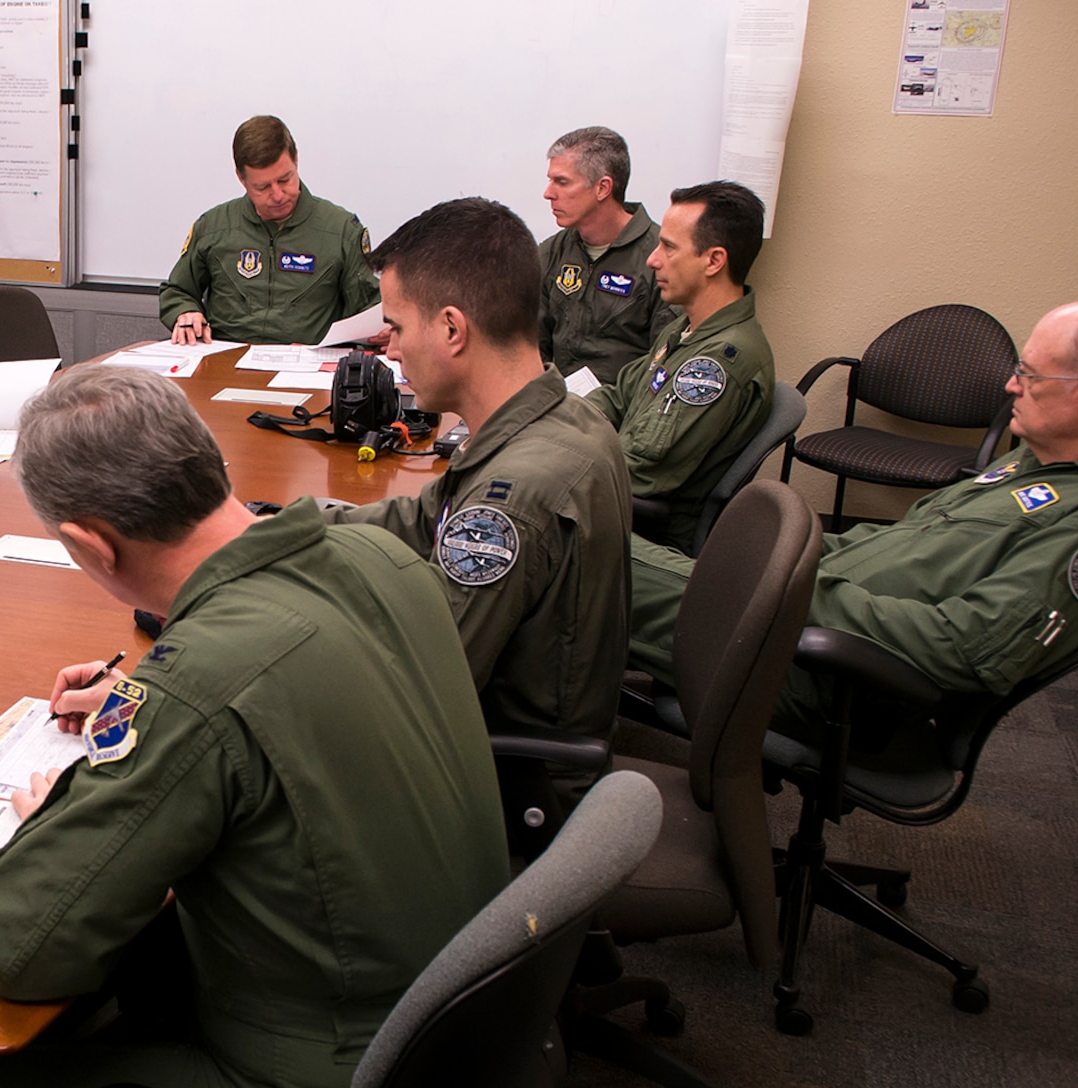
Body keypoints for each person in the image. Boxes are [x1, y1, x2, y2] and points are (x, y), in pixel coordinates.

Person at [0, 364, 511, 1088]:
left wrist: (64, 800)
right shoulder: (384, 559)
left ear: (91, 544)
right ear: (205, 465)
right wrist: (157, 695)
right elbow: (288, 677)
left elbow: (24, 950)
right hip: (459, 1063)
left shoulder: (192, 694)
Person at [631, 297, 1078, 741]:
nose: (1011, 386)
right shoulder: (1042, 461)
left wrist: (795, 592)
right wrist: (785, 567)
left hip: (828, 673)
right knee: (610, 552)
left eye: (1031, 376)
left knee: (602, 561)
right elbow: (904, 544)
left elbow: (964, 651)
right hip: (801, 614)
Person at [323, 197, 633, 799]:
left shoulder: (512, 499)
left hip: (508, 782)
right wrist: (276, 527)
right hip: (511, 734)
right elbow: (419, 518)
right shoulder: (557, 416)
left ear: (451, 329)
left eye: (398, 326)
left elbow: (415, 681)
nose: (388, 348)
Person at [588, 180, 775, 551]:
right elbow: (619, 396)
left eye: (668, 247)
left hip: (643, 537)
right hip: (615, 504)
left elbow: (639, 471)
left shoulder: (716, 363)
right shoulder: (688, 328)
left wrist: (553, 451)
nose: (652, 259)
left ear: (714, 260)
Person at [159, 115, 382, 346]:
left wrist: (384, 331)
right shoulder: (213, 227)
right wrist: (185, 312)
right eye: (263, 187)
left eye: (285, 180)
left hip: (307, 366)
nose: (277, 195)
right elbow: (178, 291)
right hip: (225, 362)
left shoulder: (341, 230)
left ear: (296, 160)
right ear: (241, 179)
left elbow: (370, 307)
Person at [536, 126, 676, 385]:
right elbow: (531, 348)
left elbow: (663, 364)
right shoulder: (552, 253)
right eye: (550, 180)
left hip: (619, 414)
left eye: (562, 182)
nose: (548, 193)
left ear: (602, 188)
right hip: (554, 408)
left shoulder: (660, 259)